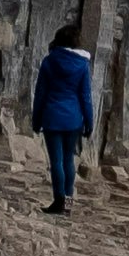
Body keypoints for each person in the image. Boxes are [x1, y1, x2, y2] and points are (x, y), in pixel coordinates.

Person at [32, 20, 98, 211]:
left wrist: (36, 120)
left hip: (52, 117)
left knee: (57, 162)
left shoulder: (49, 61)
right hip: (74, 119)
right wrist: (89, 121)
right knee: (69, 161)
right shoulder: (82, 65)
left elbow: (41, 93)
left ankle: (58, 201)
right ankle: (68, 204)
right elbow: (85, 96)